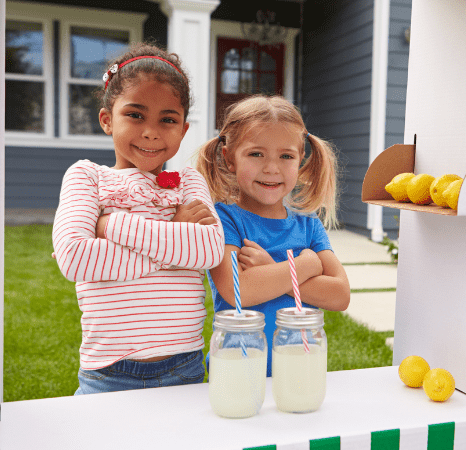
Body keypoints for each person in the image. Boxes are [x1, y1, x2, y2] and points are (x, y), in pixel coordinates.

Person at [52, 42, 224, 395]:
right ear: (106, 119)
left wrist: (111, 226)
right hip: (109, 371)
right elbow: (75, 257)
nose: (151, 131)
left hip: (185, 365)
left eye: (168, 120)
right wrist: (175, 236)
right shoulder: (88, 177)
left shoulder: (189, 181)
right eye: (135, 114)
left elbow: (209, 250)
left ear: (183, 129)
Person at [196, 95, 350, 376]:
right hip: (237, 370)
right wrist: (304, 267)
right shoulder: (224, 219)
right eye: (256, 154)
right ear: (229, 158)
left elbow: (340, 295)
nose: (271, 168)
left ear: (300, 159)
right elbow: (236, 289)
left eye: (286, 156)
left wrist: (270, 270)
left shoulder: (308, 225)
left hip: (300, 369)